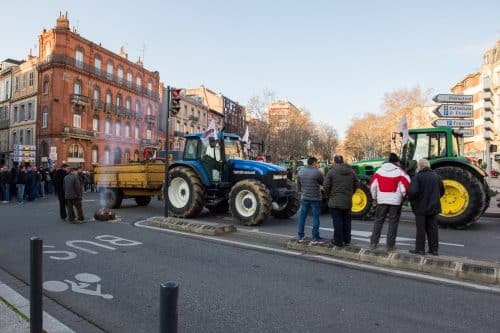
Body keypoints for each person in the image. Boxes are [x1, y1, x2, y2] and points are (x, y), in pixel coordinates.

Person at [369, 153, 410, 251]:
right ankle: (390, 245)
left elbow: (373, 186)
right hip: (395, 202)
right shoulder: (400, 173)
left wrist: (374, 198)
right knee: (393, 223)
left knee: (378, 221)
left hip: (381, 201)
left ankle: (374, 243)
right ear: (396, 162)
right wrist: (403, 198)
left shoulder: (379, 171)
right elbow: (405, 187)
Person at [408, 159, 445, 256]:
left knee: (421, 229)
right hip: (433, 207)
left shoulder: (417, 177)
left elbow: (412, 192)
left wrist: (413, 201)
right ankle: (434, 250)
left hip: (420, 208)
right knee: (433, 229)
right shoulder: (437, 177)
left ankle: (420, 249)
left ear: (420, 166)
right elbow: (442, 191)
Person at [323, 155, 359, 247]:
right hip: (347, 201)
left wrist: (329, 195)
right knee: (347, 221)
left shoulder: (331, 172)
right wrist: (351, 193)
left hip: (335, 201)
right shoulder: (351, 172)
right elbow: (356, 184)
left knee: (337, 221)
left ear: (334, 162)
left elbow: (326, 186)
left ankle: (338, 241)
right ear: (342, 161)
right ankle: (347, 240)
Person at [297, 156, 325, 245]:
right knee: (315, 218)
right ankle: (315, 237)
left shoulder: (300, 172)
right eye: (317, 163)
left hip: (304, 197)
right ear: (313, 163)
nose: (318, 165)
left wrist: (302, 192)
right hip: (315, 198)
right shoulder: (317, 172)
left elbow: (298, 186)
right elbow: (323, 183)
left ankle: (300, 236)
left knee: (302, 217)